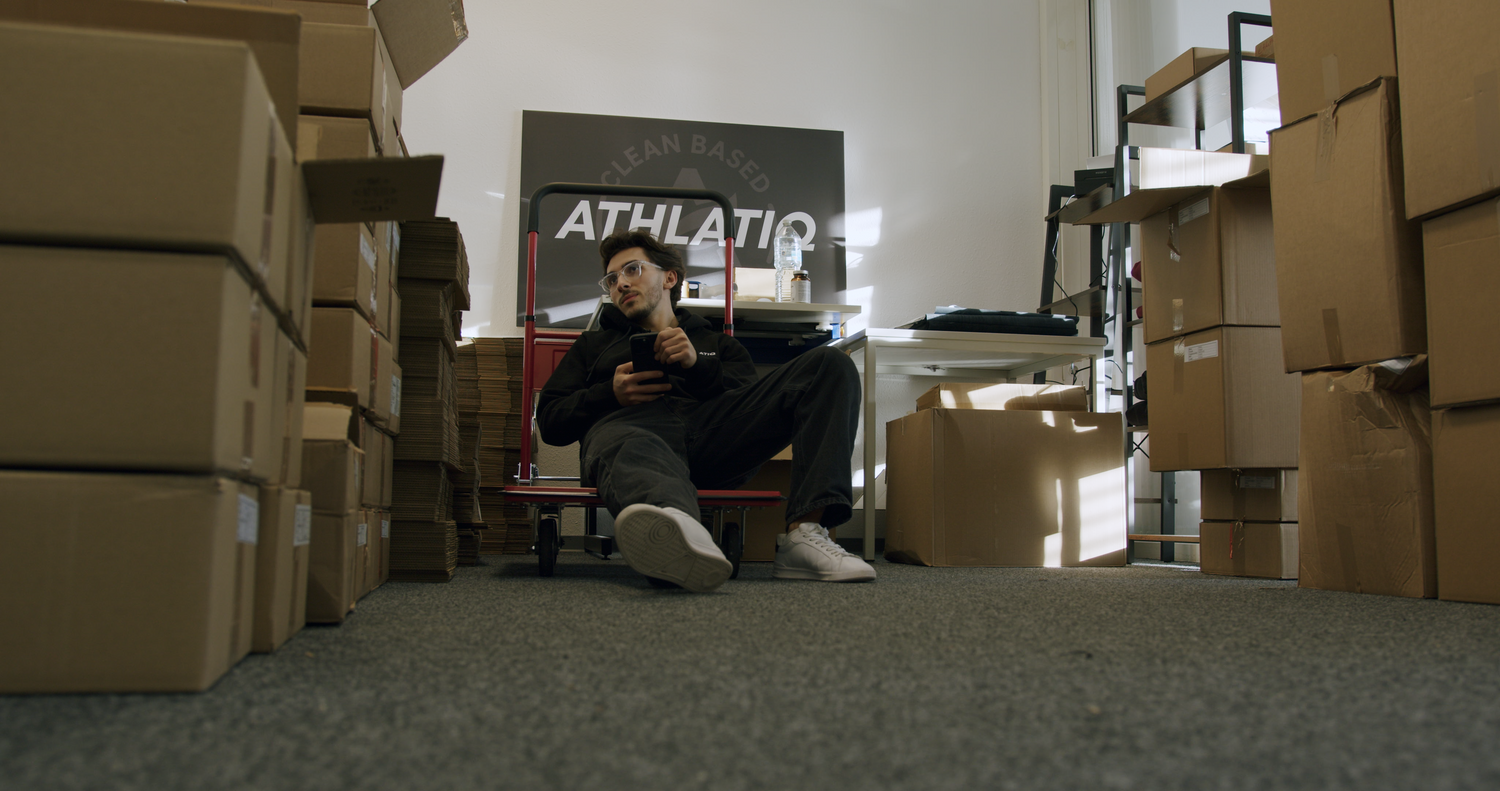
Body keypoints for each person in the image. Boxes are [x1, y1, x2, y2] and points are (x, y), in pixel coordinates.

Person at [536, 229, 876, 592]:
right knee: (630, 443)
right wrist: (609, 394)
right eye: (612, 278)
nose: (620, 283)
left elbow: (749, 404)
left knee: (830, 364)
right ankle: (674, 530)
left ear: (669, 277)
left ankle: (804, 534)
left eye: (632, 269)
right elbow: (551, 421)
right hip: (630, 434)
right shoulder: (593, 345)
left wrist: (698, 365)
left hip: (712, 439)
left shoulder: (716, 343)